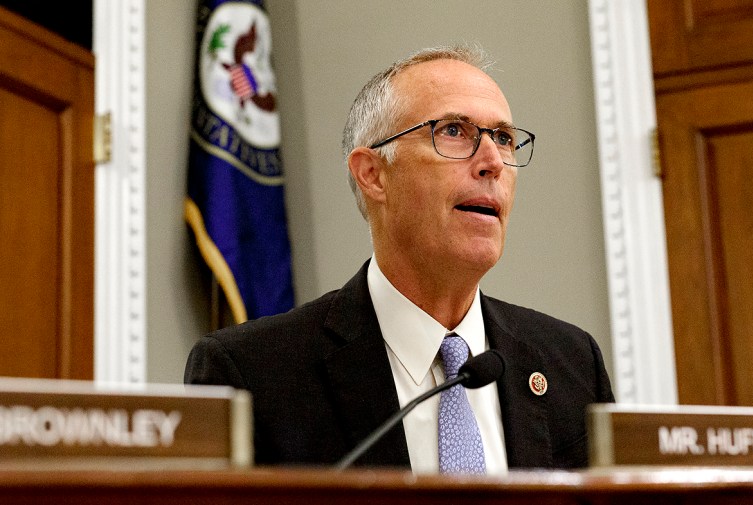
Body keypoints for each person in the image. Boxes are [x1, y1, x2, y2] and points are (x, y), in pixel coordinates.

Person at [185, 44, 615, 474]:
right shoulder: (251, 376)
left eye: (503, 138)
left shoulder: (572, 364)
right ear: (373, 174)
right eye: (453, 131)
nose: (492, 163)